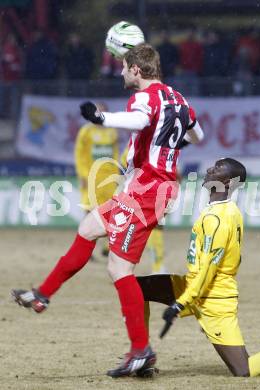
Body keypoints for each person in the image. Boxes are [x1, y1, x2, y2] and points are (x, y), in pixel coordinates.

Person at [11, 43, 204, 377]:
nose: (121, 72)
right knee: (88, 227)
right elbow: (197, 136)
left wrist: (103, 119)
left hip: (148, 188)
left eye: (124, 67)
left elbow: (139, 118)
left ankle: (141, 351)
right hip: (148, 186)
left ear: (137, 70)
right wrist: (171, 144)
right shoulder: (180, 99)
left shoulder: (144, 98)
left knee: (119, 269)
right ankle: (42, 295)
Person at [136, 157, 260, 377]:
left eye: (216, 169)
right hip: (195, 287)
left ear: (226, 182)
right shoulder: (231, 210)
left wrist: (180, 304)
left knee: (244, 369)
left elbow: (208, 270)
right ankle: (141, 356)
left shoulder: (216, 218)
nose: (208, 169)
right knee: (137, 289)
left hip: (212, 300)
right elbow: (236, 257)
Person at [74, 102, 119, 257]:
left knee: (111, 211)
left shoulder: (112, 132)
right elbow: (80, 155)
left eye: (103, 111)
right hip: (91, 177)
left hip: (108, 178)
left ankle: (108, 246)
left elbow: (115, 155)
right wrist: (82, 174)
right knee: (89, 211)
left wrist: (117, 175)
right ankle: (85, 248)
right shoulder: (85, 132)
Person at [120, 144, 165, 273]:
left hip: (145, 195)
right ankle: (157, 267)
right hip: (145, 196)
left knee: (133, 231)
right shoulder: (161, 148)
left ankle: (123, 268)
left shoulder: (132, 146)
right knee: (141, 231)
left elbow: (123, 170)